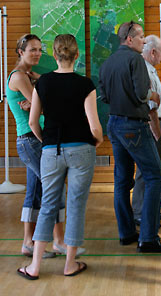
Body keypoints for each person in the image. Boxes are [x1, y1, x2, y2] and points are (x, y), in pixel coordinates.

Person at [17, 34, 103, 279]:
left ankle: (34, 267)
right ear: (77, 56)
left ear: (54, 55)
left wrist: (46, 141)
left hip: (51, 151)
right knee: (76, 206)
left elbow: (33, 121)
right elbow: (95, 126)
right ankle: (70, 264)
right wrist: (97, 140)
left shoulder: (42, 84)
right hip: (82, 150)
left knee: (47, 206)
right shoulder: (86, 84)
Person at [99, 20, 161, 253]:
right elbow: (143, 93)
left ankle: (126, 233)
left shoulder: (107, 63)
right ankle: (149, 238)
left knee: (122, 181)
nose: (144, 41)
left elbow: (104, 97)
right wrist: (154, 94)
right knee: (155, 178)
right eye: (141, 37)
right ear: (130, 39)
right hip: (134, 124)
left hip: (113, 124)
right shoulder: (136, 60)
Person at [7, 34, 65, 258]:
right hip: (31, 140)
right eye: (32, 49)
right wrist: (37, 103)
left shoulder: (29, 76)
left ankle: (28, 244)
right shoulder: (20, 77)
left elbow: (40, 102)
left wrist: (36, 96)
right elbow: (45, 105)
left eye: (40, 49)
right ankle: (57, 241)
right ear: (21, 52)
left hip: (34, 138)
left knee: (34, 192)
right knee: (54, 188)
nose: (38, 53)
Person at [132, 35, 161, 224]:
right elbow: (149, 105)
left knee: (155, 170)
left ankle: (152, 209)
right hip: (153, 124)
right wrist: (156, 129)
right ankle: (141, 212)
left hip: (159, 122)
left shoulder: (150, 70)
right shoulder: (144, 71)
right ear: (153, 52)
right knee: (147, 171)